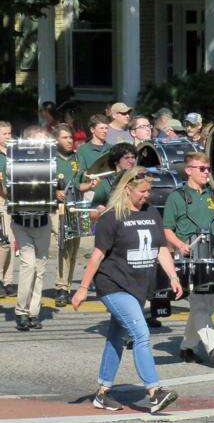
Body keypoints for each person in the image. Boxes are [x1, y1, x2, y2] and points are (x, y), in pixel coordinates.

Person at [71, 167, 181, 413]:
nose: (147, 195)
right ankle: (154, 392)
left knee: (116, 338)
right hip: (113, 285)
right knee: (141, 334)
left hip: (138, 286)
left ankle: (102, 393)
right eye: (142, 191)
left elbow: (160, 248)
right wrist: (83, 289)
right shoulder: (112, 217)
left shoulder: (152, 213)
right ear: (127, 189)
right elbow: (97, 256)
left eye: (149, 191)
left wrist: (173, 275)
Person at [163, 152, 214, 367]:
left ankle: (187, 347)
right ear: (189, 170)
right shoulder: (177, 196)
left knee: (209, 305)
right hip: (188, 255)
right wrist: (179, 245)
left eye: (208, 169)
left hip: (211, 253)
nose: (206, 173)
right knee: (199, 302)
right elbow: (167, 229)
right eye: (201, 169)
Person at [7, 126, 52, 331]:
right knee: (29, 265)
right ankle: (21, 311)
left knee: (40, 269)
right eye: (38, 141)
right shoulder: (13, 160)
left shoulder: (50, 161)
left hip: (42, 220)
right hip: (21, 220)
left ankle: (34, 312)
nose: (42, 145)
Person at [53, 124, 97, 307]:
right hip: (57, 208)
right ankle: (60, 286)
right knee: (62, 242)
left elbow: (79, 185)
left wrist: (91, 184)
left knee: (73, 247)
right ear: (56, 139)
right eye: (65, 137)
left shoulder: (77, 158)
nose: (69, 141)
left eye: (71, 137)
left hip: (75, 206)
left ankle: (67, 286)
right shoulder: (51, 158)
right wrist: (55, 192)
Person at [91, 143, 138, 211]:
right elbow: (92, 213)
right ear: (116, 161)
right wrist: (101, 211)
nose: (131, 161)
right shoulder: (104, 184)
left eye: (133, 157)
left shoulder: (139, 179)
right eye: (126, 158)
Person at [0, 120, 15, 296]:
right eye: (4, 134)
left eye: (10, 133)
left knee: (10, 242)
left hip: (12, 199)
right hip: (1, 199)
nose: (8, 137)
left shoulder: (13, 152)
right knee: (3, 242)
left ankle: (8, 280)